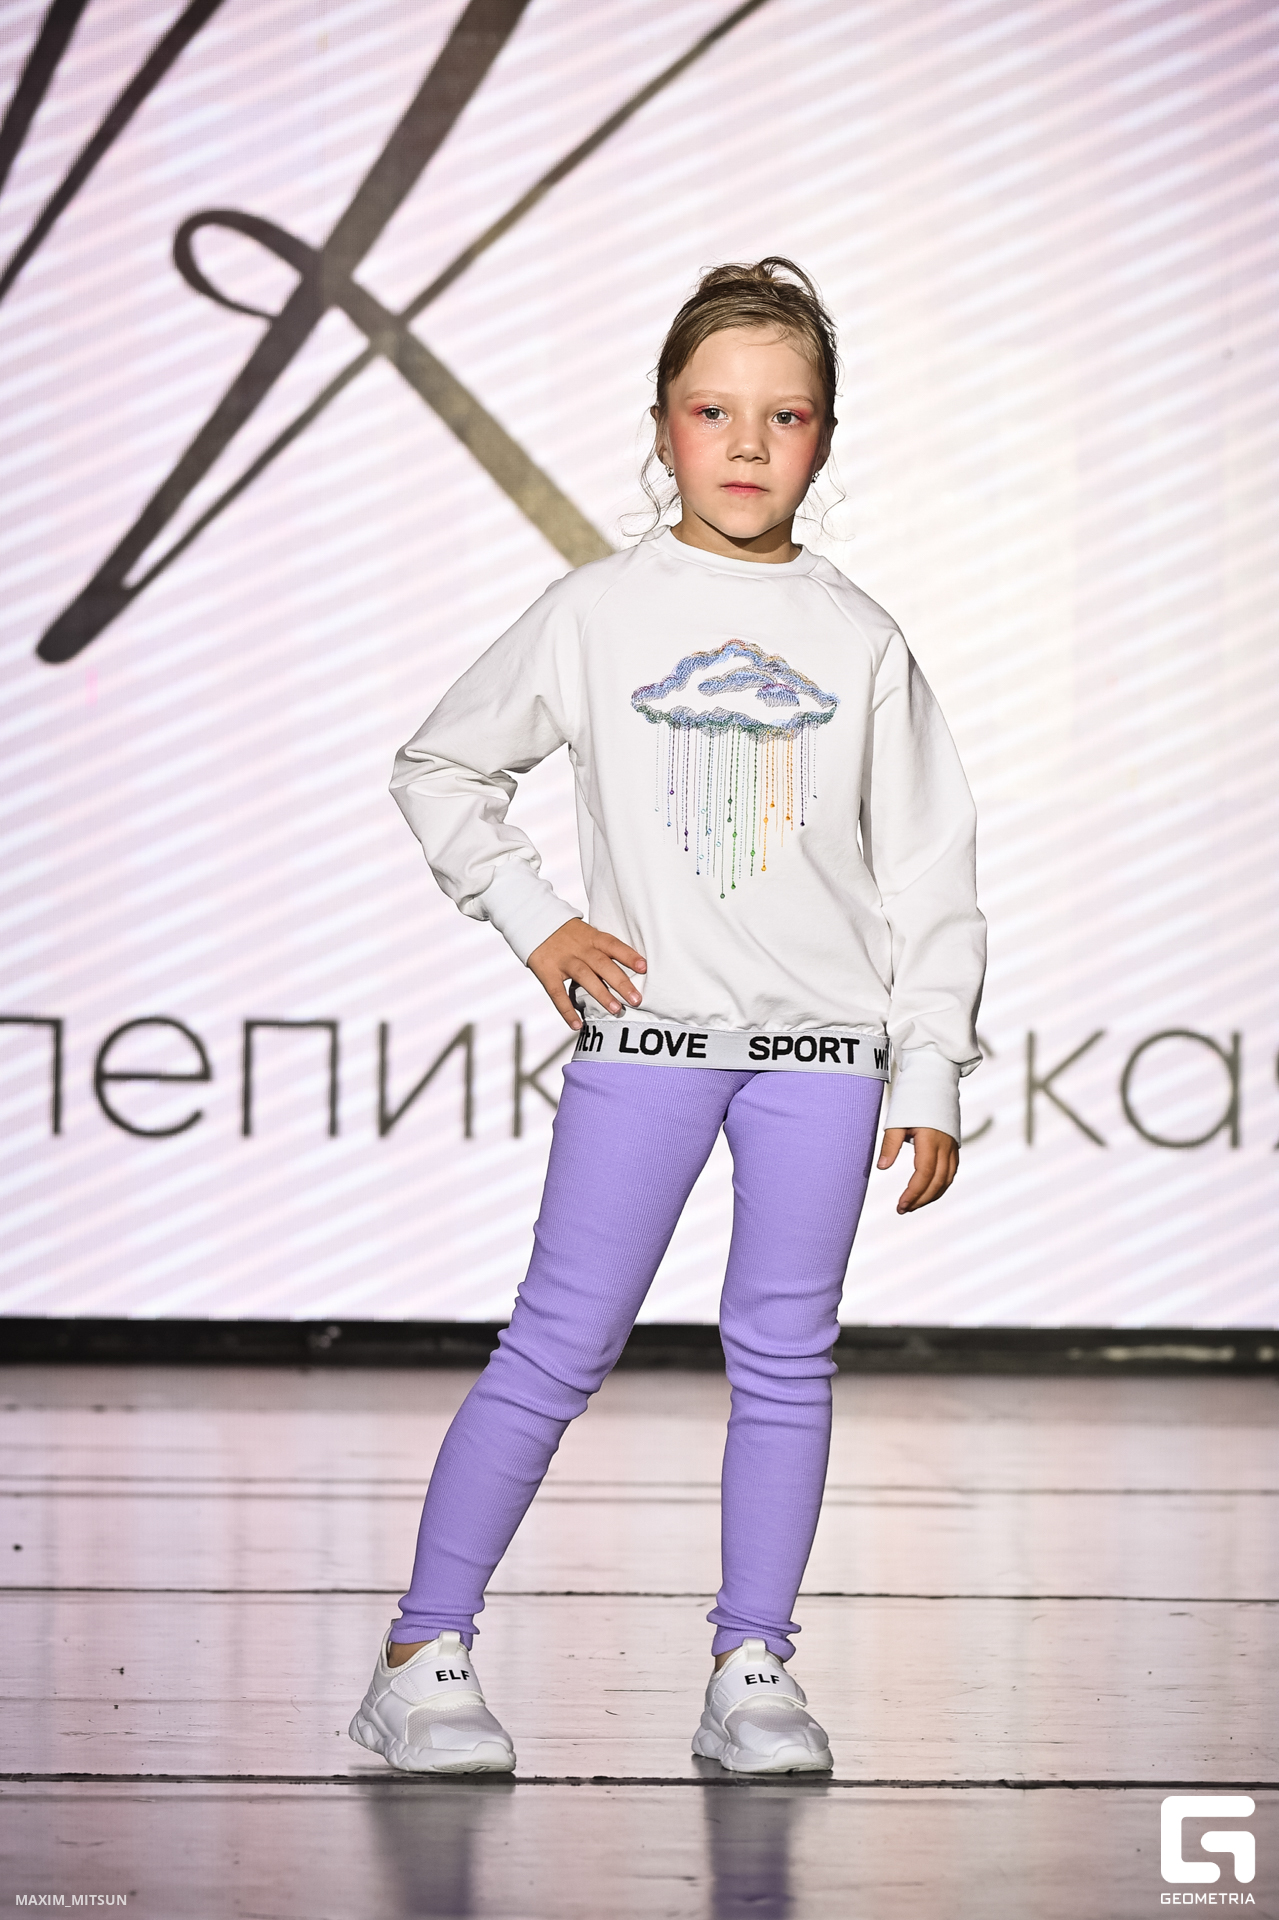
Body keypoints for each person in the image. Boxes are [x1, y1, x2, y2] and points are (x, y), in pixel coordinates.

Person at [350, 258, 985, 1776]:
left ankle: (752, 1666)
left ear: (825, 439)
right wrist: (535, 920)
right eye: (714, 411)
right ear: (661, 427)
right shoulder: (597, 612)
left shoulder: (862, 638)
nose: (748, 444)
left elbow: (930, 869)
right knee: (558, 1347)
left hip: (824, 1059)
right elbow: (441, 767)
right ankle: (420, 1656)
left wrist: (930, 1067)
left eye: (786, 416)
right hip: (650, 1046)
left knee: (786, 1361)